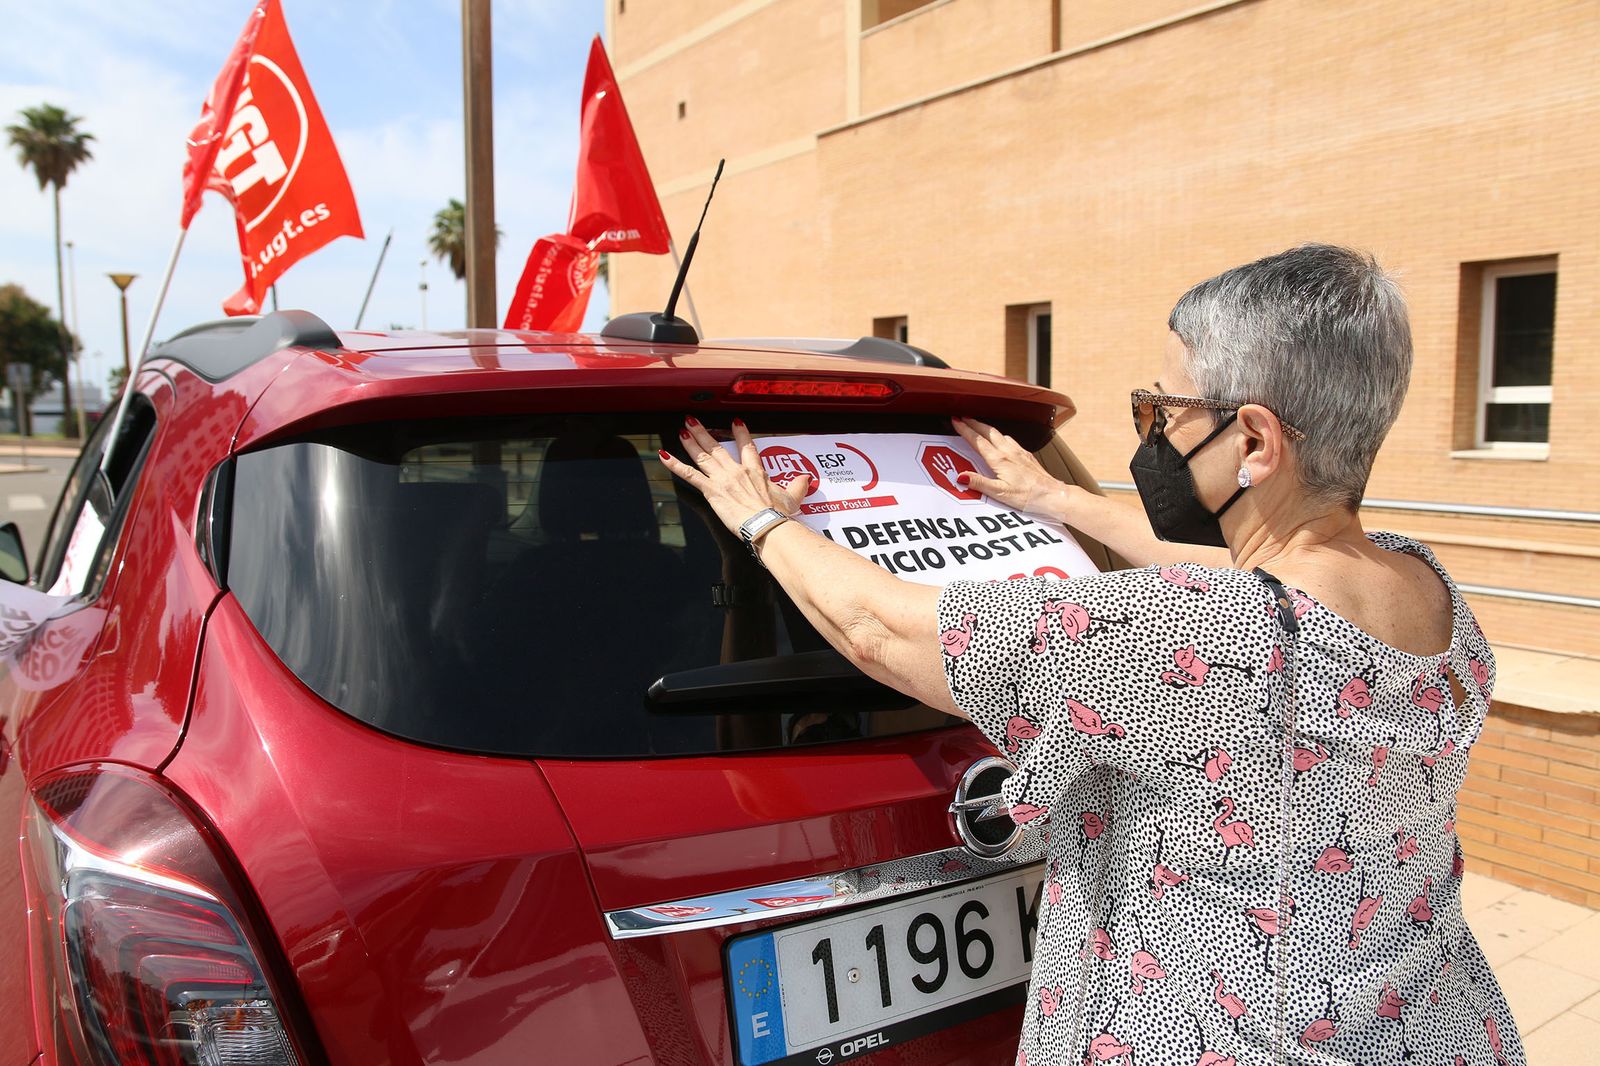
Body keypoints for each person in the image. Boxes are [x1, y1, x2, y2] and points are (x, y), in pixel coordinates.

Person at [658, 244, 1524, 1065]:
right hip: (1435, 1025)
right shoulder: (1424, 585)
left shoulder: (1199, 637)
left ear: (1255, 442)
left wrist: (759, 519)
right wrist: (1063, 501)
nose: (1152, 431)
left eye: (1167, 411)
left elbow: (879, 630)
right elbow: (1260, 574)